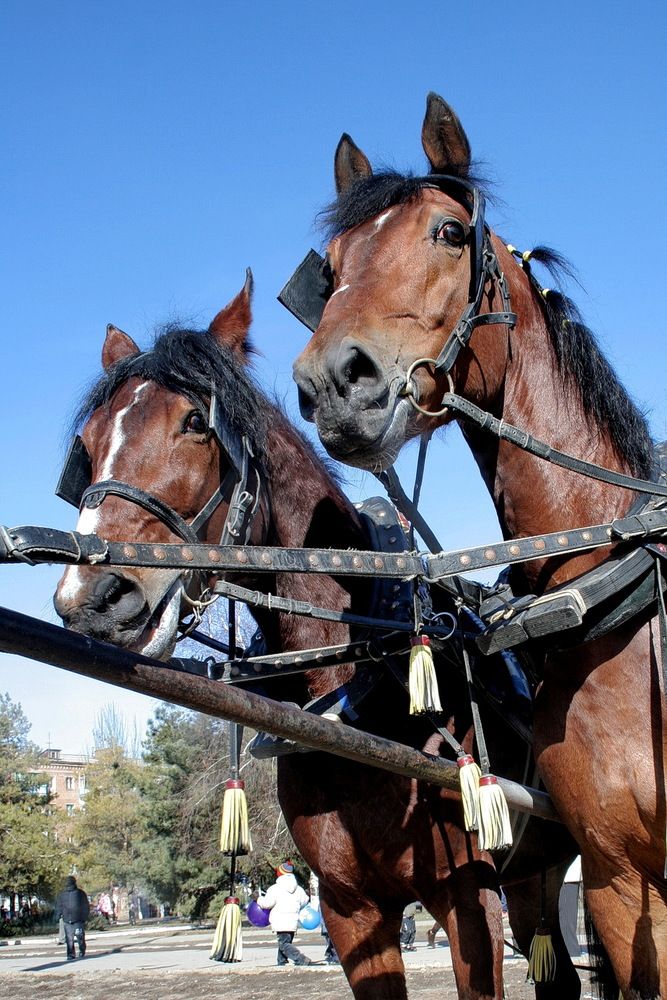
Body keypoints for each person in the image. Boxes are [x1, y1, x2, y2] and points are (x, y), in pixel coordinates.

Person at [257, 861, 313, 966]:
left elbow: (267, 904)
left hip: (280, 921)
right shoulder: (299, 889)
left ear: (280, 874)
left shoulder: (275, 889)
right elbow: (305, 901)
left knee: (284, 944)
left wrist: (258, 899)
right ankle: (281, 961)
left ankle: (301, 959)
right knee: (286, 942)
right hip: (293, 921)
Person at [54, 876, 90, 961]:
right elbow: (59, 906)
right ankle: (71, 954)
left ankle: (82, 950)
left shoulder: (80, 893)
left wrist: (84, 916)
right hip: (67, 920)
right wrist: (57, 916)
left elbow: (85, 906)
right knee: (69, 939)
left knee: (79, 937)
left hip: (78, 919)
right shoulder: (62, 895)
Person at [559, 855, 582, 957]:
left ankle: (570, 949)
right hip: (568, 876)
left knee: (566, 916)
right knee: (566, 916)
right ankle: (570, 948)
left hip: (568, 877)